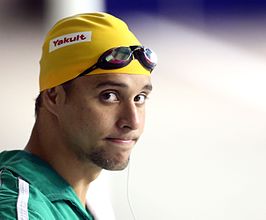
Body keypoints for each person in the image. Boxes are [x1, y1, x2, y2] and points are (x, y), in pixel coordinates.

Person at [0, 12, 157, 220]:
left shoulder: (80, 202)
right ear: (54, 97)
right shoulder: (20, 210)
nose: (133, 121)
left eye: (139, 98)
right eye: (109, 96)